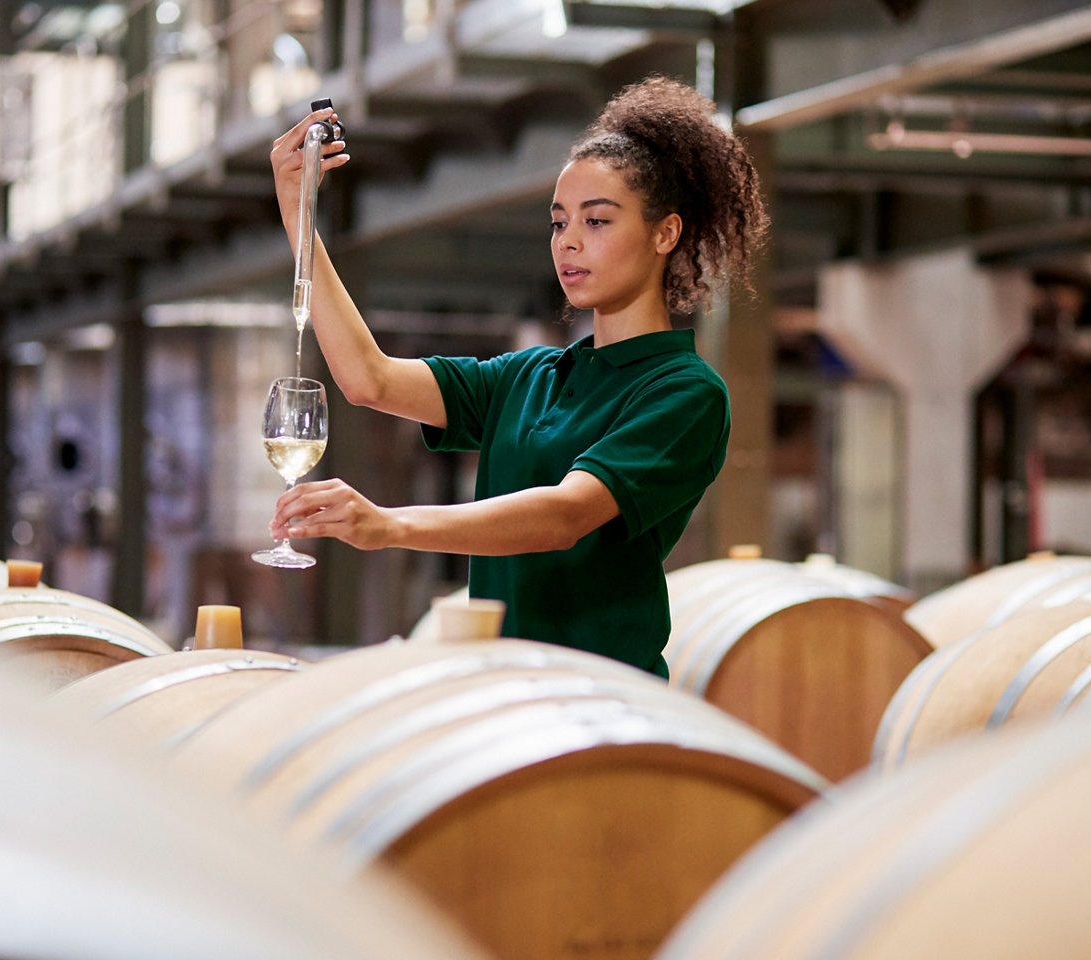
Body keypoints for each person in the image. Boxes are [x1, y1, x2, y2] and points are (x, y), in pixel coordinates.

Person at [267, 75, 767, 677]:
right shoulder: (529, 376)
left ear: (666, 233)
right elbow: (367, 379)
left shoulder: (684, 392)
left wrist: (388, 524)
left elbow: (564, 517)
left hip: (603, 700)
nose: (569, 243)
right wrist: (301, 215)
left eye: (598, 221)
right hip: (506, 697)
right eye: (559, 223)